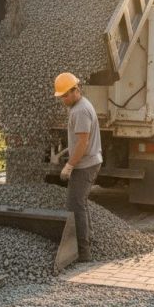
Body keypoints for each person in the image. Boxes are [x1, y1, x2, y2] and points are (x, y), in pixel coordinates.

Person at [53, 72, 102, 262]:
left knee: (75, 205)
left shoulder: (80, 110)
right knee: (80, 203)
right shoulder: (79, 106)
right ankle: (89, 240)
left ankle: (83, 253)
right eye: (61, 96)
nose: (63, 99)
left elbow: (83, 142)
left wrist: (69, 165)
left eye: (66, 95)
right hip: (89, 162)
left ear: (76, 90)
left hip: (85, 165)